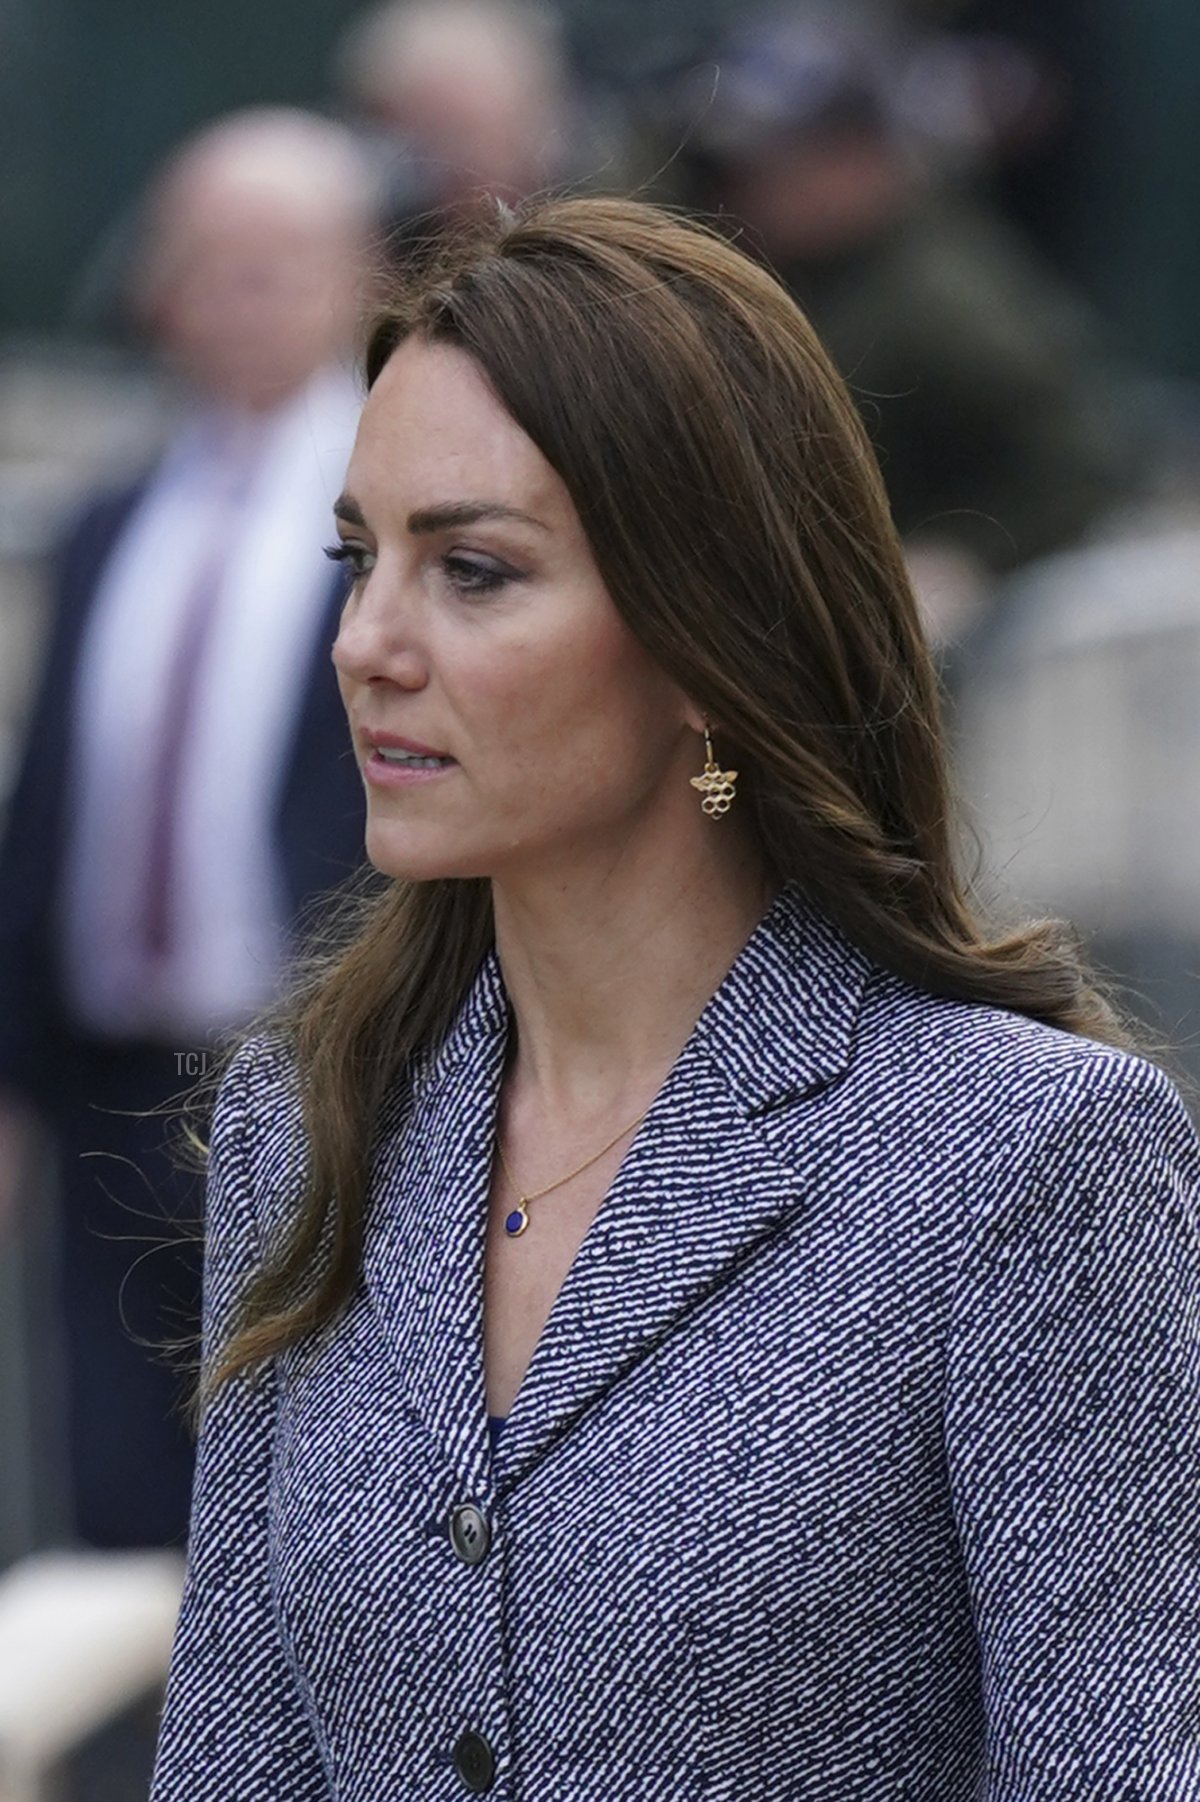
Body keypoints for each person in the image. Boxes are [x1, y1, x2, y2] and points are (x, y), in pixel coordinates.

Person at [151, 197, 1198, 1798]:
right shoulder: (312, 1120)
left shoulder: (1026, 1161)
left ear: (708, 635)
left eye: (475, 571)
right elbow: (237, 1754)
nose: (366, 641)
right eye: (357, 558)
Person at [0, 109, 370, 1549]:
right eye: (205, 260)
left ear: (354, 274)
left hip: (317, 1074)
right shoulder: (111, 518)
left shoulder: (392, 513)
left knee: (297, 1498)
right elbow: (50, 813)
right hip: (109, 1092)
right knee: (114, 1503)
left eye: (275, 261)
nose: (234, 294)